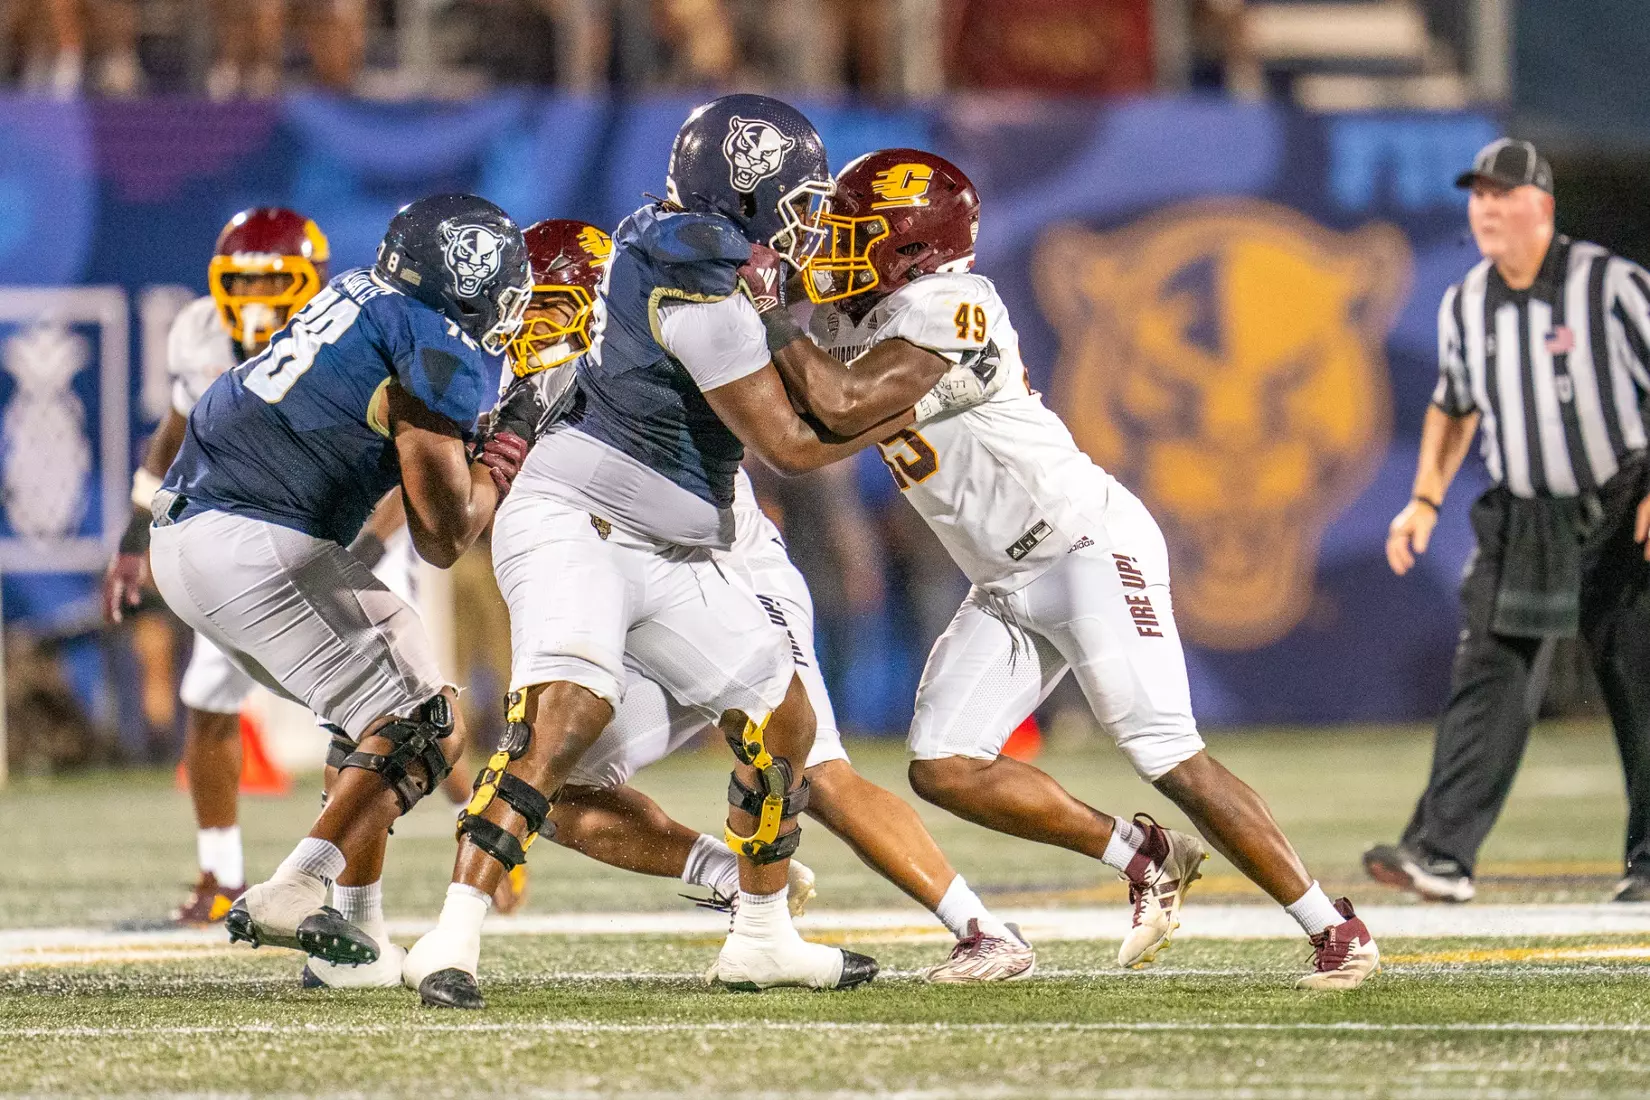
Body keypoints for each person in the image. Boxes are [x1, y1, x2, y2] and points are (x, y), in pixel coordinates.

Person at [402, 94, 1000, 1009]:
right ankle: (451, 937)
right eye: (793, 200)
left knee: (784, 720)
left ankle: (761, 937)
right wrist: (928, 398)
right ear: (745, 191)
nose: (805, 223)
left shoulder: (694, 252)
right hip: (580, 519)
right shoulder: (699, 285)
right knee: (563, 713)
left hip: (677, 544)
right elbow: (794, 444)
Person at [782, 147, 1379, 989]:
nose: (834, 250)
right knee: (945, 765)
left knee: (1166, 752)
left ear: (914, 248)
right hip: (1002, 580)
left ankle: (1334, 927)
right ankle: (1142, 855)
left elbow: (836, 405)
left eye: (855, 234)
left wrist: (764, 319)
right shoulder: (853, 317)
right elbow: (798, 415)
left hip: (1084, 548)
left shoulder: (953, 304)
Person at [502, 216, 1033, 982]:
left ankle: (983, 929)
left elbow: (790, 433)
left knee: (814, 769)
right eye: (527, 305)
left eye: (552, 301)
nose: (535, 320)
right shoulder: (518, 374)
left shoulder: (660, 326)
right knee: (543, 783)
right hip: (637, 589)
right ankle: (732, 880)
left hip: (729, 572)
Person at [149, 193, 533, 988]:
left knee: (376, 721)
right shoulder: (430, 340)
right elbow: (444, 536)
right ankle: (298, 884)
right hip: (252, 539)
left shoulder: (365, 295)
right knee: (427, 722)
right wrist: (505, 450)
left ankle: (354, 941)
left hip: (196, 531)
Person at [102, 208, 425, 927]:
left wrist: (366, 552)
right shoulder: (201, 334)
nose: (254, 297)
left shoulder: (351, 337)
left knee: (407, 709)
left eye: (272, 281)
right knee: (210, 696)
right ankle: (222, 876)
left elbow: (411, 456)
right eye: (242, 281)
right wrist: (132, 538)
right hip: (256, 537)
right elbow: (174, 435)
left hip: (352, 531)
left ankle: (479, 847)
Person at [1369, 138, 1650, 904]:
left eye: (1503, 194)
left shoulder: (1609, 284)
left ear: (1542, 206)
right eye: (1479, 196)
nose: (1486, 209)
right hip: (1524, 512)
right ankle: (1441, 854)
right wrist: (1424, 499)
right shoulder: (1466, 301)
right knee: (1489, 675)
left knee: (1639, 678)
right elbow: (1453, 404)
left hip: (1622, 504)